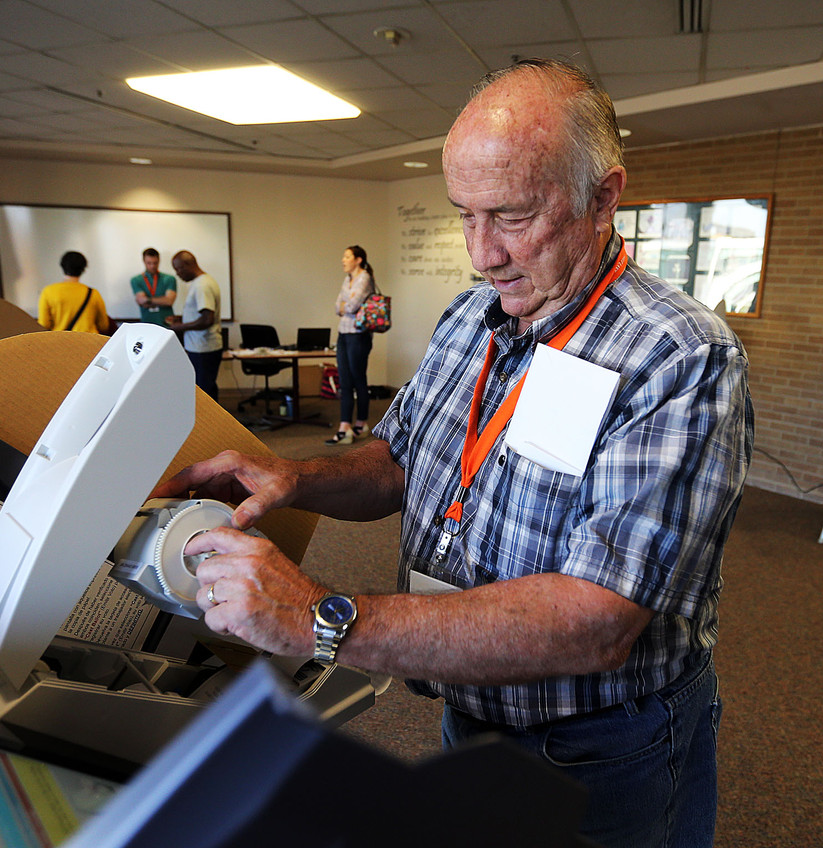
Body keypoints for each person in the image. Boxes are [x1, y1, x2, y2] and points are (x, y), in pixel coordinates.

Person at [153, 59, 753, 848]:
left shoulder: (680, 357)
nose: (482, 253)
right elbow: (400, 459)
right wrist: (299, 477)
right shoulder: (472, 316)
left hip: (604, 746)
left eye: (510, 215)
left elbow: (595, 622)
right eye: (463, 214)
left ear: (604, 196)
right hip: (471, 706)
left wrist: (323, 618)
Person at [327, 245, 375, 446]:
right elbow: (338, 306)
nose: (343, 260)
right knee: (345, 380)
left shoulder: (364, 278)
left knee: (358, 379)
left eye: (347, 256)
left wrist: (345, 306)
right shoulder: (348, 279)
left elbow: (352, 306)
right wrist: (345, 306)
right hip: (343, 333)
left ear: (358, 259)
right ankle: (344, 427)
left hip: (358, 335)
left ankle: (361, 423)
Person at [166, 250, 223, 400]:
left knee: (204, 393)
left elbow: (206, 319)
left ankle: (210, 423)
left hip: (203, 348)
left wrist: (179, 327)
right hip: (201, 347)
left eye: (178, 269)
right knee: (207, 388)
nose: (177, 274)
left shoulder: (202, 286)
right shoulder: (203, 281)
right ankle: (213, 422)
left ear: (188, 265)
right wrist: (181, 318)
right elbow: (201, 314)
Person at [37, 251, 109, 334]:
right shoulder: (93, 293)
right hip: (89, 342)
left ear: (62, 266)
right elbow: (104, 325)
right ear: (83, 269)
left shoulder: (48, 291)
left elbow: (44, 324)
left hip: (60, 342)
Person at [130, 247, 177, 327]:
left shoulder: (169, 279)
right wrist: (162, 300)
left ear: (159, 261)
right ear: (144, 262)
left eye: (155, 263)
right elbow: (141, 301)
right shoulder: (136, 280)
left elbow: (169, 301)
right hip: (147, 324)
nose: (152, 266)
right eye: (149, 263)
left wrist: (148, 300)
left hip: (167, 324)